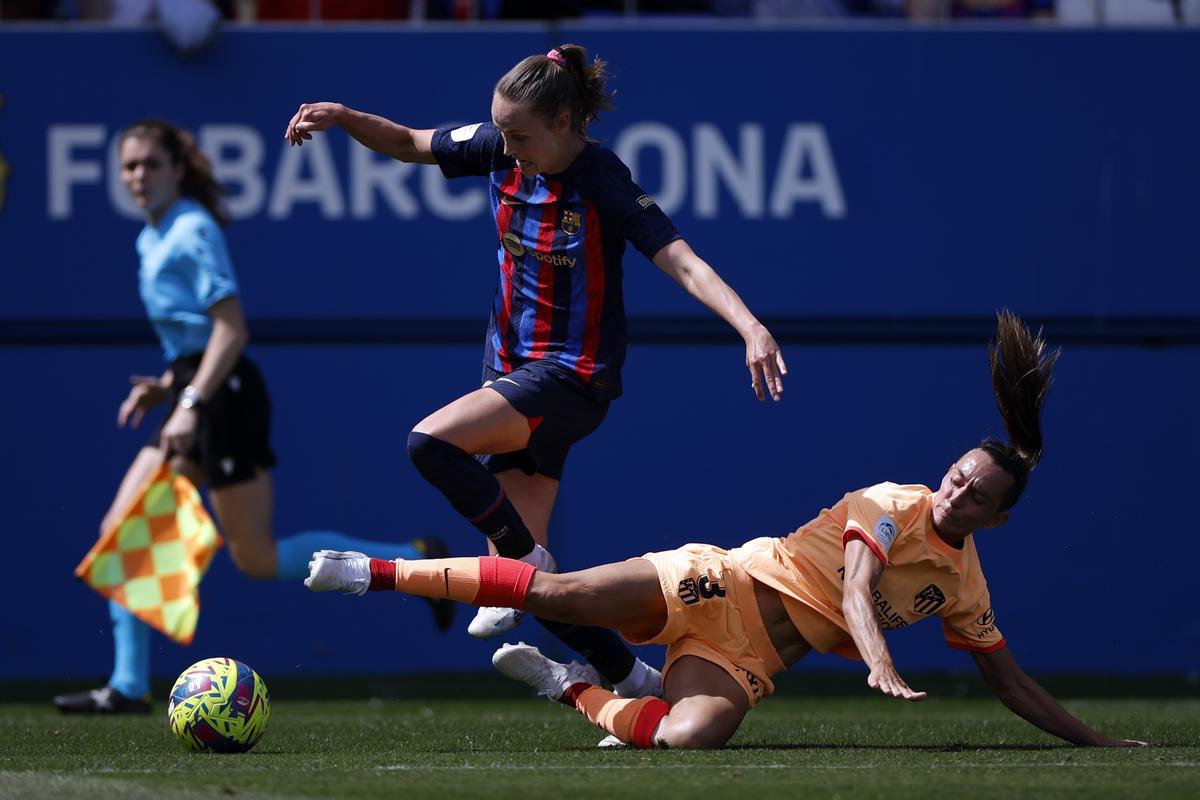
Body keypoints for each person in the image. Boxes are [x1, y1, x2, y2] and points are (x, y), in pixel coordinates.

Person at [305, 311, 1147, 750]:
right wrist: (881, 658)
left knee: (686, 739)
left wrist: (1097, 739)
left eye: (975, 496)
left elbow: (1013, 683)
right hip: (720, 580)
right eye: (958, 476)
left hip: (749, 658)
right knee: (556, 589)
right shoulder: (894, 499)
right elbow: (857, 586)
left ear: (996, 519)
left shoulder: (965, 587)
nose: (956, 493)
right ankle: (368, 573)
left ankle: (566, 687)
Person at [283, 44, 787, 700]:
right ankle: (633, 678)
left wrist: (750, 326)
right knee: (536, 586)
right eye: (501, 130)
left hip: (575, 376)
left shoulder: (602, 179)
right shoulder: (498, 147)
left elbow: (683, 260)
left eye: (520, 134)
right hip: (513, 372)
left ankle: (516, 558)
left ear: (565, 123)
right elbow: (409, 141)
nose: (507, 146)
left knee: (431, 444)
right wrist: (344, 115)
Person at [54, 119, 452, 715]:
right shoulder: (152, 236)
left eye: (150, 164)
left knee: (255, 558)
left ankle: (413, 559)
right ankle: (129, 685)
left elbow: (232, 329)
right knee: (128, 530)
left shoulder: (192, 228)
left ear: (177, 169)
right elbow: (193, 341)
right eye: (129, 167)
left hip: (227, 396)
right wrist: (168, 387)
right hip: (196, 391)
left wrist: (189, 402)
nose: (138, 177)